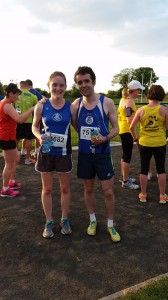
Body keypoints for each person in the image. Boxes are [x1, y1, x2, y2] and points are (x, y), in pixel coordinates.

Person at [72, 66, 120, 243]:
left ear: (94, 82)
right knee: (88, 189)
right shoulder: (75, 105)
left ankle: (110, 224)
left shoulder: (106, 102)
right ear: (77, 84)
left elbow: (117, 128)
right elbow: (75, 124)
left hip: (102, 154)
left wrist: (104, 138)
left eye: (87, 81)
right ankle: (92, 220)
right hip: (85, 154)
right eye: (80, 82)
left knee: (107, 191)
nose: (84, 85)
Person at [32, 71, 77, 238]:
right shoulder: (41, 105)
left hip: (63, 153)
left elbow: (77, 127)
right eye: (55, 85)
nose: (58, 88)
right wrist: (39, 136)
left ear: (65, 87)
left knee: (65, 188)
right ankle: (49, 221)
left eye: (61, 85)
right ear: (48, 86)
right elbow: (35, 127)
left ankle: (64, 219)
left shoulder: (71, 107)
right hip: (47, 152)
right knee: (47, 189)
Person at [130, 84, 168, 204]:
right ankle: (162, 195)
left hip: (144, 143)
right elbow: (167, 127)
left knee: (144, 169)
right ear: (161, 95)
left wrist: (136, 140)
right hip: (160, 143)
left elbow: (131, 127)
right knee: (161, 169)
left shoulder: (141, 110)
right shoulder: (165, 110)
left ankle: (143, 195)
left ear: (148, 95)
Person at [0, 83, 34, 197]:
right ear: (10, 93)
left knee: (16, 159)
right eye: (16, 95)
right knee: (9, 163)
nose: (18, 97)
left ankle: (11, 182)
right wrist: (31, 109)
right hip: (6, 137)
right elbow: (19, 119)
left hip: (8, 136)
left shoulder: (5, 104)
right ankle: (5, 189)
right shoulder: (7, 105)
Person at [118, 80, 145, 189]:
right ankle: (125, 181)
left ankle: (123, 176)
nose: (139, 92)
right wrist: (135, 137)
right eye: (139, 90)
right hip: (126, 131)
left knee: (125, 155)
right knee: (127, 157)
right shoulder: (129, 102)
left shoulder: (123, 99)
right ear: (134, 90)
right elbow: (129, 120)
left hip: (123, 130)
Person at [15, 81, 38, 164]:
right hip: (28, 121)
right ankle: (27, 159)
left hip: (17, 120)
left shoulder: (16, 95)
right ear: (27, 86)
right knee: (28, 139)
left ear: (19, 86)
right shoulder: (33, 96)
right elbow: (37, 108)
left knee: (16, 139)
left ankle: (15, 158)